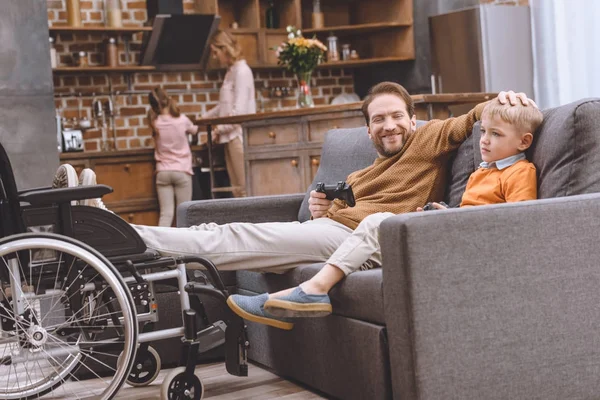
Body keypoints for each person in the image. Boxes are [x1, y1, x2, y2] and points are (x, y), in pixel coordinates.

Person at [54, 83, 535, 331]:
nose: (388, 126)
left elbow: (472, 121)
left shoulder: (430, 137)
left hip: (358, 237)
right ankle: (109, 228)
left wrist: (500, 98)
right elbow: (327, 215)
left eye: (395, 117)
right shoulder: (361, 173)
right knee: (235, 234)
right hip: (336, 235)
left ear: (412, 118)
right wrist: (319, 205)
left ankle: (109, 231)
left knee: (233, 237)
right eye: (378, 120)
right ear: (367, 129)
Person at [251, 97, 543, 326]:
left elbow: (516, 221)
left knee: (379, 221)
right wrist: (446, 211)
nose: (484, 140)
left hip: (471, 240)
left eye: (495, 134)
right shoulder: (483, 171)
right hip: (455, 228)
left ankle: (314, 289)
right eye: (484, 132)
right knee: (378, 225)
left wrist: (456, 219)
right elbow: (471, 208)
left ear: (524, 142)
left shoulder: (519, 172)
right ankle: (289, 299)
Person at [200, 30, 256, 198]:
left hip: (238, 137)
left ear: (225, 49)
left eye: (216, 52)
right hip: (229, 137)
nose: (215, 57)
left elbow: (239, 112)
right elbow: (223, 106)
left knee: (245, 188)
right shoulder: (231, 71)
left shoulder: (242, 71)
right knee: (236, 189)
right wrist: (202, 120)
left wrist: (217, 130)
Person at [148, 87, 199, 227]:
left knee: (166, 214)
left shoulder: (155, 122)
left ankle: (159, 246)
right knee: (184, 214)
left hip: (163, 172)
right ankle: (183, 246)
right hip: (182, 171)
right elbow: (195, 130)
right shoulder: (182, 120)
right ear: (168, 99)